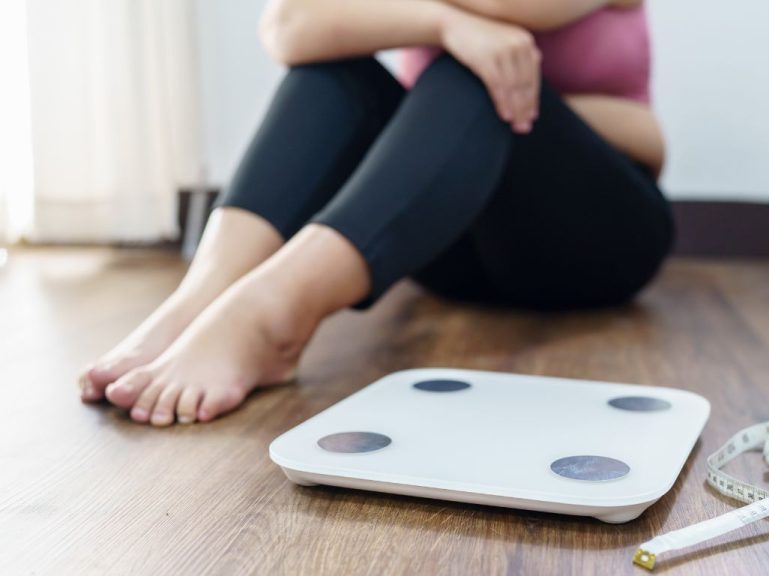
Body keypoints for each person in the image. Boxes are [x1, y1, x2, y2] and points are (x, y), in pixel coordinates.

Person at [77, 0, 674, 426]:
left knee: (476, 70)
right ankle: (200, 302)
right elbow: (288, 25)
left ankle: (270, 317)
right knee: (331, 75)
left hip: (598, 242)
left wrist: (506, 89)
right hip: (446, 245)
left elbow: (507, 9)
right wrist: (444, 22)